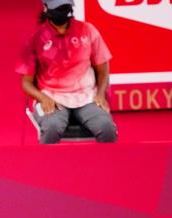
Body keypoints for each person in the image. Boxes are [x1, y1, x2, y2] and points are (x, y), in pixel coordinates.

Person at [16, 0, 117, 144]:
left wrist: (100, 93)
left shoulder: (88, 30)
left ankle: (105, 165)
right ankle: (50, 165)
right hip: (52, 97)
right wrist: (43, 98)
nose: (62, 11)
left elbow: (103, 67)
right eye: (58, 8)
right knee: (52, 127)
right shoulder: (35, 39)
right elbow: (26, 82)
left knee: (107, 128)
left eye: (65, 7)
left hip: (87, 97)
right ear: (46, 9)